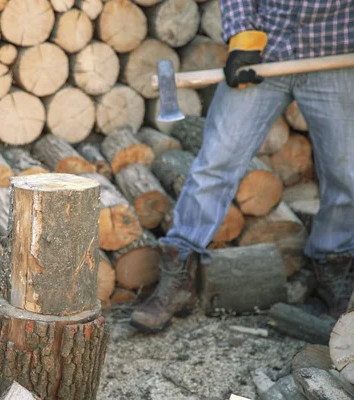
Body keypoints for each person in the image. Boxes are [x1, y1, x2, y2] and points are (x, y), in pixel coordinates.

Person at [130, 0, 354, 333]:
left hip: (335, 51)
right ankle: (179, 277)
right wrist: (244, 39)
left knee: (346, 172)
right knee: (216, 161)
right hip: (265, 48)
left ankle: (332, 264)